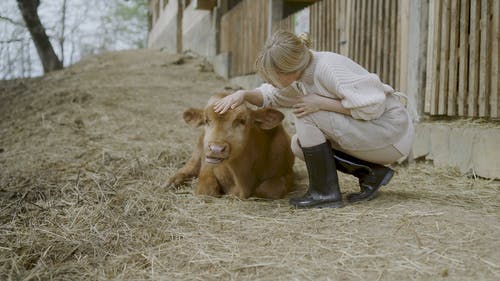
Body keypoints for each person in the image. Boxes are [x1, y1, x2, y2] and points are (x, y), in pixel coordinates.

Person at [213, 30, 414, 208]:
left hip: (392, 133)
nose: (269, 80)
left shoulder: (328, 67)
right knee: (298, 145)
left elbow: (372, 106)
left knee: (305, 111)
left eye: (272, 75)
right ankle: (372, 174)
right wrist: (244, 95)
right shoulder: (300, 76)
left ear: (288, 70)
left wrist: (321, 103)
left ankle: (325, 194)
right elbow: (269, 96)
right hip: (375, 137)